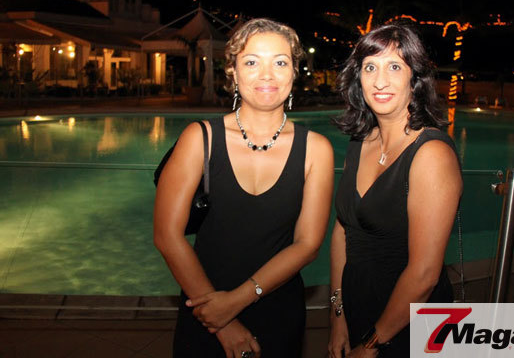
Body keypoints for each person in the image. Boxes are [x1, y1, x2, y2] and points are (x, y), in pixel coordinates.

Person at [154, 18, 334, 358]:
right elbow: (167, 236)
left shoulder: (316, 149)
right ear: (233, 72)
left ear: (294, 72)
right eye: (252, 62)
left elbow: (308, 244)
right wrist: (221, 321)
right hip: (204, 306)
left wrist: (235, 301)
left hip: (277, 309)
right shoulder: (199, 139)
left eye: (280, 62)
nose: (267, 75)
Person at [328, 23, 462, 358]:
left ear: (414, 78)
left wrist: (370, 346)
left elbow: (424, 274)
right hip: (360, 312)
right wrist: (338, 316)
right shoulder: (360, 142)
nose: (380, 81)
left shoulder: (431, 154)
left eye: (394, 67)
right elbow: (343, 231)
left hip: (411, 328)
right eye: (370, 67)